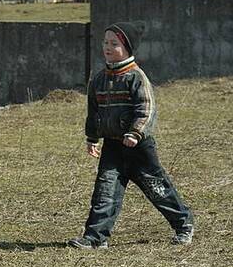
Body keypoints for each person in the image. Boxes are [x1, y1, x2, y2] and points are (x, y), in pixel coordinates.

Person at [68, 22, 194, 249]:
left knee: (157, 189)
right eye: (105, 42)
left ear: (127, 47)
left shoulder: (136, 77)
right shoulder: (98, 80)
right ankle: (95, 238)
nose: (107, 47)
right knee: (104, 191)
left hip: (138, 148)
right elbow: (93, 111)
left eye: (114, 43)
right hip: (112, 148)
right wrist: (92, 138)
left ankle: (183, 223)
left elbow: (146, 107)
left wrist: (136, 133)